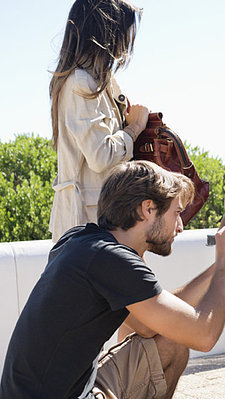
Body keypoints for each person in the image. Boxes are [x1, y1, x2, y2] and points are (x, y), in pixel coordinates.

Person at [0, 160, 225, 399]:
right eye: (176, 213)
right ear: (148, 209)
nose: (180, 226)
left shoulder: (80, 241)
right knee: (179, 339)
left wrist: (220, 265)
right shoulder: (112, 259)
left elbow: (147, 327)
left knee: (169, 342)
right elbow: (203, 335)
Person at [49, 0, 150, 242]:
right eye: (123, 30)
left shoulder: (99, 82)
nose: (126, 40)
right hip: (86, 226)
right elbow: (101, 156)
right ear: (107, 31)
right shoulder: (80, 82)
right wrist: (134, 128)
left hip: (100, 224)